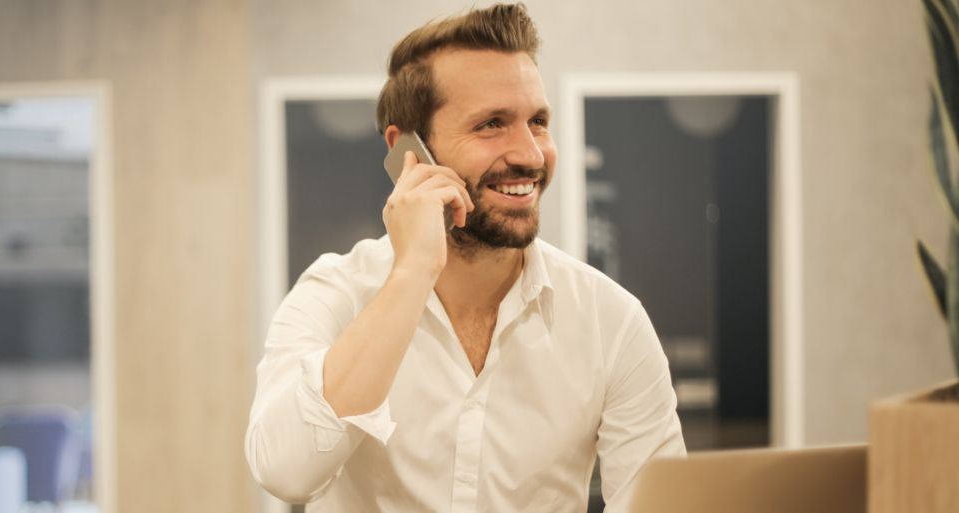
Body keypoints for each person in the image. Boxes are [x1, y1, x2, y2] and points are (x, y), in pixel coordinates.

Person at [245, 4, 685, 512]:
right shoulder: (334, 294)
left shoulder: (612, 322)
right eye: (492, 124)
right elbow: (286, 473)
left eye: (538, 122)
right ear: (409, 152)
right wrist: (412, 273)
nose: (531, 155)